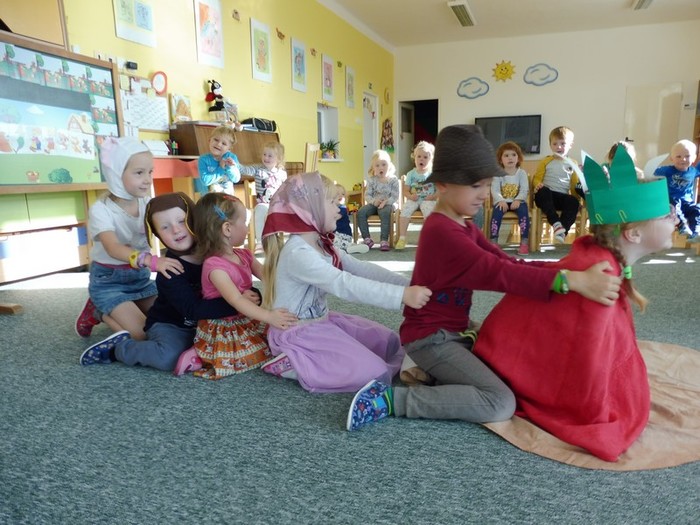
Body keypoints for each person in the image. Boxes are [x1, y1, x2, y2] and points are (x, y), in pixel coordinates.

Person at [346, 125, 621, 432]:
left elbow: (508, 261)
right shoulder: (442, 233)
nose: (483, 194)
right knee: (500, 402)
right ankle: (390, 400)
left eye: (487, 185)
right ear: (443, 184)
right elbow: (498, 273)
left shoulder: (463, 225)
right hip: (431, 339)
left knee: (518, 365)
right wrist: (569, 281)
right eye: (476, 185)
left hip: (456, 330)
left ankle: (429, 373)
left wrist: (568, 269)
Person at [472, 147, 677, 462]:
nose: (675, 217)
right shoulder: (599, 274)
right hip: (503, 358)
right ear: (634, 234)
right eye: (665, 214)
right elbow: (585, 370)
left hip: (502, 349)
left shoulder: (603, 262)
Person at [260, 172, 432, 393]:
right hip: (295, 334)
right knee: (374, 372)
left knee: (390, 342)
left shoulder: (321, 244)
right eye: (333, 202)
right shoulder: (298, 253)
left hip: (321, 321)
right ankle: (292, 361)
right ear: (310, 209)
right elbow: (345, 284)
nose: (339, 209)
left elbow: (361, 269)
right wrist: (402, 296)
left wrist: (407, 285)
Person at [79, 192, 258, 372]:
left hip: (205, 322)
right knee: (167, 356)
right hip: (173, 325)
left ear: (195, 220)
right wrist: (239, 304)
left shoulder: (213, 255)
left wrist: (252, 295)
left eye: (181, 221)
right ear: (157, 235)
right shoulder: (170, 270)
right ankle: (116, 350)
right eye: (165, 227)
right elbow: (193, 310)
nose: (176, 230)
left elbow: (238, 281)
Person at [74, 137, 183, 341]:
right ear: (116, 174)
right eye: (139, 173)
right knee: (141, 335)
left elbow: (166, 231)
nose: (148, 179)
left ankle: (123, 309)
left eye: (150, 172)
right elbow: (113, 247)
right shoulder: (101, 209)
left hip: (140, 279)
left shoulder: (148, 204)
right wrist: (149, 260)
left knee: (169, 320)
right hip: (108, 282)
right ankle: (97, 311)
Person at [192, 192, 297, 380]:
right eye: (245, 222)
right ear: (227, 229)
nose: (248, 228)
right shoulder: (214, 267)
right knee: (253, 355)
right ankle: (195, 354)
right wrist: (268, 316)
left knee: (281, 333)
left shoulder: (244, 255)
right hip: (226, 324)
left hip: (245, 316)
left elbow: (268, 277)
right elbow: (237, 300)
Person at [532, 126, 582, 244]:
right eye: (555, 144)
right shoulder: (545, 161)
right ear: (550, 145)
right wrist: (538, 184)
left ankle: (562, 231)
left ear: (570, 145)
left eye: (563, 144)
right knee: (544, 191)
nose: (558, 147)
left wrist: (577, 200)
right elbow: (537, 178)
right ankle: (555, 222)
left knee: (573, 202)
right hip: (545, 196)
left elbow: (574, 185)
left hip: (561, 198)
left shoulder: (573, 163)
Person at [239, 141, 287, 246]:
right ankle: (260, 242)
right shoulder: (258, 169)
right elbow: (245, 170)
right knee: (260, 210)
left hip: (277, 205)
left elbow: (286, 190)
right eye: (264, 154)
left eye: (270, 156)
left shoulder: (282, 174)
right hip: (263, 203)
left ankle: (280, 241)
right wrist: (236, 165)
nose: (266, 157)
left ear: (278, 159)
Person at [490, 141, 531, 255]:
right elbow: (495, 190)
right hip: (502, 202)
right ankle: (493, 242)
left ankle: (524, 243)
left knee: (524, 214)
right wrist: (500, 200)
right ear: (500, 160)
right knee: (496, 215)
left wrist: (518, 200)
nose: (510, 158)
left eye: (513, 155)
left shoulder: (521, 173)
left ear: (518, 158)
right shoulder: (497, 174)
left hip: (518, 201)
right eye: (506, 155)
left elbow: (524, 190)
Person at [653, 139, 699, 239]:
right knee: (675, 208)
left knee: (696, 210)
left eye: (688, 156)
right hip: (671, 201)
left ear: (694, 158)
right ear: (671, 158)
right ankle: (683, 226)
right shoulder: (667, 170)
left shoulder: (693, 171)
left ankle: (695, 231)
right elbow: (651, 172)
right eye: (678, 156)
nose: (683, 159)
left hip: (687, 202)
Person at [395, 141, 437, 250]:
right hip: (414, 199)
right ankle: (402, 238)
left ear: (430, 159)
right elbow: (405, 191)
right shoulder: (411, 174)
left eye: (425, 157)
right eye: (419, 156)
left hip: (428, 200)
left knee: (429, 212)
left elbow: (439, 191)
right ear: (414, 158)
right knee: (405, 211)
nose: (421, 159)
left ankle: (428, 239)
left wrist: (432, 197)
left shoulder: (433, 174)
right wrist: (410, 196)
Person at [355, 149, 400, 251]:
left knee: (385, 213)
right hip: (374, 203)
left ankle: (384, 240)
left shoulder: (393, 180)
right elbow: (367, 195)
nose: (381, 168)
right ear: (373, 168)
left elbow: (395, 196)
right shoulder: (372, 180)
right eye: (377, 165)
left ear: (389, 165)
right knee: (361, 212)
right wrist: (374, 201)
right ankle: (367, 238)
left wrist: (386, 202)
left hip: (388, 204)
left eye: (384, 164)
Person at [196, 125, 242, 196]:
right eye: (216, 140)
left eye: (224, 143)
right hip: (210, 200)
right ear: (209, 140)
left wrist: (231, 167)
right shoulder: (203, 159)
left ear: (229, 149)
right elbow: (205, 181)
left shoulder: (231, 158)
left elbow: (236, 179)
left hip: (228, 200)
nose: (219, 144)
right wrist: (221, 168)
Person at [333, 184, 369, 254]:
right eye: (337, 194)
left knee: (332, 240)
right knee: (329, 240)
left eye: (343, 194)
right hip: (338, 235)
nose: (340, 196)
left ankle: (350, 247)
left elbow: (335, 217)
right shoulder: (332, 208)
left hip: (344, 235)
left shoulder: (342, 208)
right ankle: (352, 246)